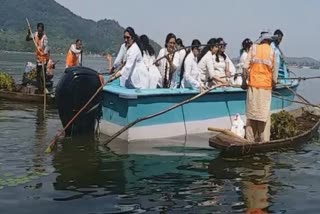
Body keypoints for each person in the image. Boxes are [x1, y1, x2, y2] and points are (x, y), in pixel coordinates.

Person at [243, 31, 277, 142]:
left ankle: (249, 141)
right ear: (270, 41)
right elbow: (274, 75)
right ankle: (264, 142)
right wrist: (274, 85)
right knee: (264, 117)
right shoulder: (272, 52)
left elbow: (245, 67)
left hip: (253, 87)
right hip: (265, 89)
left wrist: (244, 82)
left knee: (251, 116)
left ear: (261, 40)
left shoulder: (253, 48)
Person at [26, 22, 49, 94]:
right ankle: (40, 89)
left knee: (43, 75)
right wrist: (28, 33)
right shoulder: (35, 34)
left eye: (41, 31)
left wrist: (44, 52)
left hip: (44, 59)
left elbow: (47, 47)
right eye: (38, 30)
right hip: (38, 58)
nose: (39, 32)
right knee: (38, 75)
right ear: (37, 29)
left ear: (43, 30)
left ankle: (44, 88)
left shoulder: (45, 38)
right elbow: (27, 39)